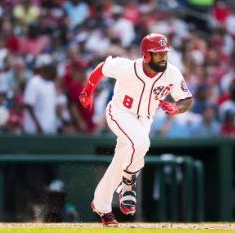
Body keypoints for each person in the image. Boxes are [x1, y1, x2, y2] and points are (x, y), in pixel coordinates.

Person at [79, 33, 193, 226]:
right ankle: (128, 185)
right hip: (120, 112)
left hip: (144, 120)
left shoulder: (172, 73)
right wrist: (87, 91)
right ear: (146, 55)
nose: (163, 57)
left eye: (165, 53)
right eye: (158, 54)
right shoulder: (127, 67)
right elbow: (102, 69)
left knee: (121, 161)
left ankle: (101, 205)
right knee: (141, 144)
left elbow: (186, 99)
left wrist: (176, 108)